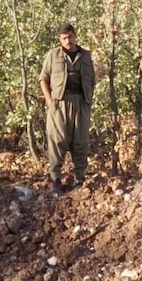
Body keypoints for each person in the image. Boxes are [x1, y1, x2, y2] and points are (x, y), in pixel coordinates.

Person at [39, 23, 96, 194]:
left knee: (80, 140)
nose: (68, 41)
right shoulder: (53, 55)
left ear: (75, 36)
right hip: (59, 102)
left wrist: (88, 100)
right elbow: (43, 79)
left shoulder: (85, 55)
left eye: (70, 37)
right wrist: (49, 100)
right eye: (64, 38)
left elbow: (92, 80)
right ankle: (56, 178)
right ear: (59, 39)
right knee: (58, 139)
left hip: (80, 101)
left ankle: (80, 177)